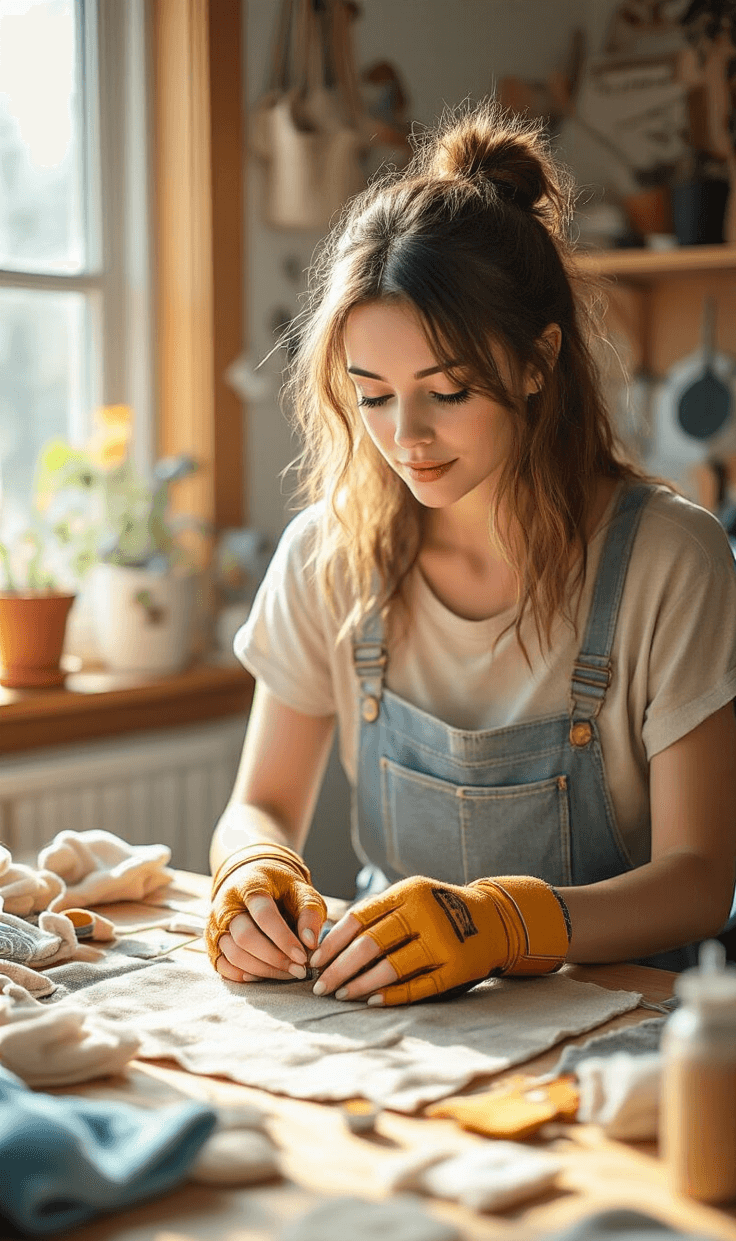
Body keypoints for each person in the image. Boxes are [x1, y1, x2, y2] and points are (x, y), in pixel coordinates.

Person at [205, 101, 736, 1003]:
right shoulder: (327, 555)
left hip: (620, 1024)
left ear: (538, 361)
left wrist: (503, 923)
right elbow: (260, 802)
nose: (405, 436)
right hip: (393, 1009)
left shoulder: (671, 560)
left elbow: (699, 880)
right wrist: (253, 868)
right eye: (371, 396)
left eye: (445, 391)